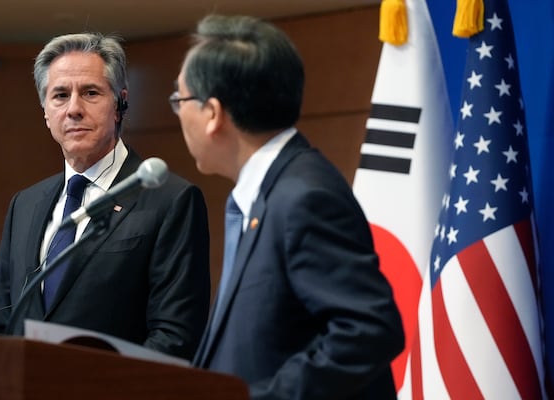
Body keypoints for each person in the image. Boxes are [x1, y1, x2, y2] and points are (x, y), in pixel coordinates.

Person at [171, 14, 405, 399]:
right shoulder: (271, 191)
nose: (180, 115)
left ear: (212, 114)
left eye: (180, 101)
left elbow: (368, 331)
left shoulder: (303, 197)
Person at [0, 32, 211, 361]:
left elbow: (174, 337)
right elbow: (3, 327)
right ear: (45, 111)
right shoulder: (25, 204)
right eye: (60, 95)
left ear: (120, 103)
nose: (74, 109)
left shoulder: (171, 201)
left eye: (90, 93)